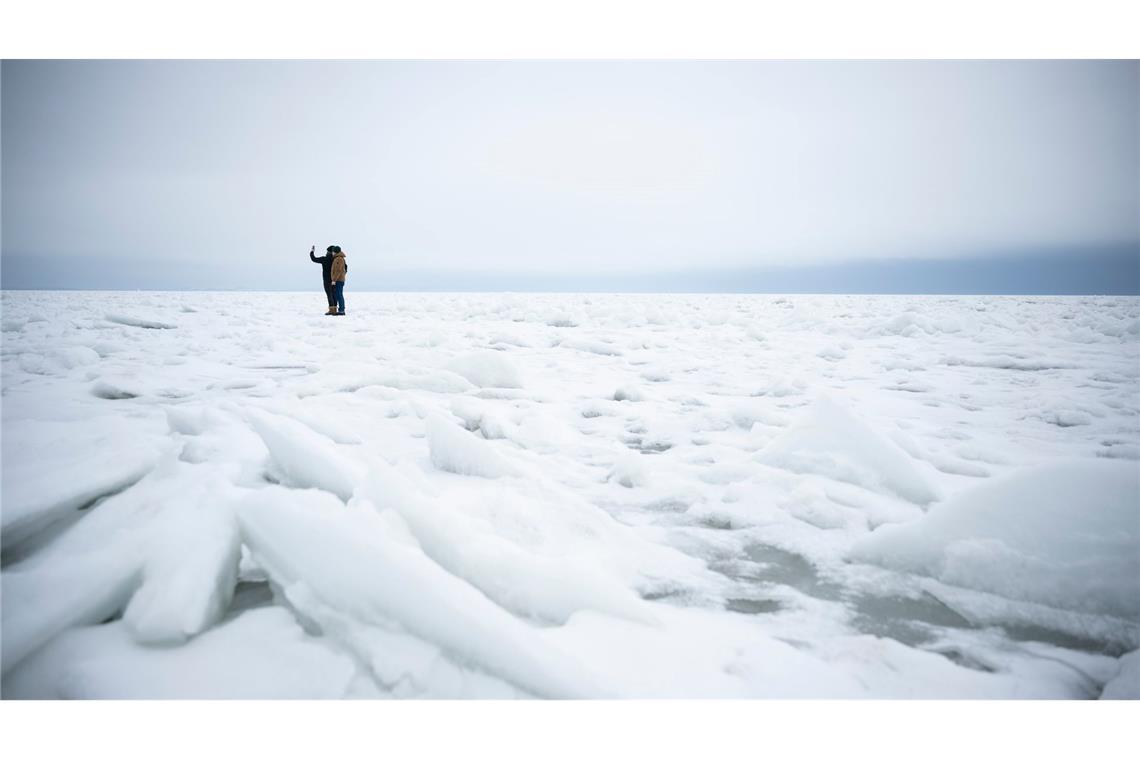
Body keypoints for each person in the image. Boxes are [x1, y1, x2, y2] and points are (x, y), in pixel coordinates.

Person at [309, 245, 338, 315]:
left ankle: (332, 310)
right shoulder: (336, 259)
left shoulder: (324, 259)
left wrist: (312, 252)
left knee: (329, 294)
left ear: (328, 252)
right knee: (334, 294)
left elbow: (314, 259)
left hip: (326, 280)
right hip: (335, 279)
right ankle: (335, 309)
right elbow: (345, 266)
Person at [330, 247, 348, 315]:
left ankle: (341, 310)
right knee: (338, 295)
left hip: (338, 280)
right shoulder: (338, 258)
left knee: (339, 295)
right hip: (339, 279)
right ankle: (341, 310)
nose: (332, 253)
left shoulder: (339, 259)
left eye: (333, 251)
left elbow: (338, 270)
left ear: (335, 252)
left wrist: (334, 280)